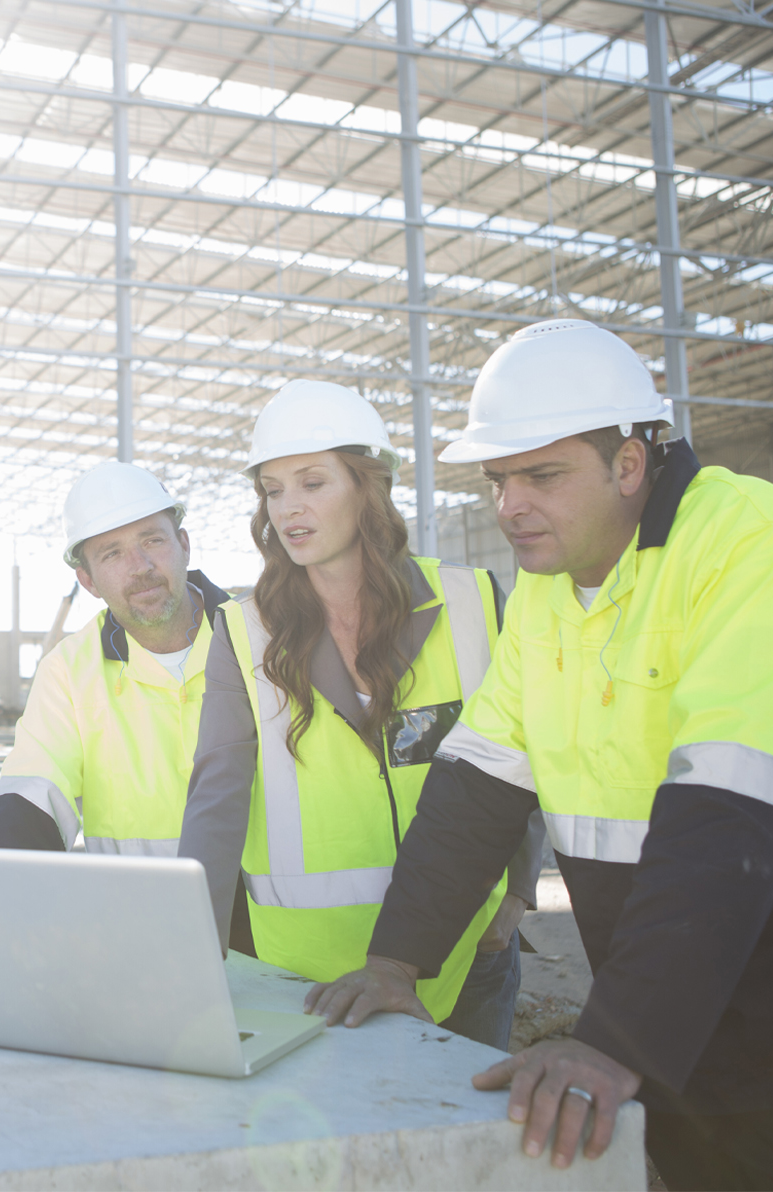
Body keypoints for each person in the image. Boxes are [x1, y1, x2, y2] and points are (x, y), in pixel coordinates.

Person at [303, 320, 773, 1189]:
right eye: (499, 479)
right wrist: (397, 960)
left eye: (543, 475)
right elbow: (477, 783)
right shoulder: (547, 592)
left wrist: (616, 1042)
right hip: (667, 1030)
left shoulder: (749, 543)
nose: (509, 505)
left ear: (631, 464)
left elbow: (729, 807)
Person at [178, 381, 544, 1050]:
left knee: (470, 1146)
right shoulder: (243, 631)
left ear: (367, 488)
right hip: (311, 976)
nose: (289, 508)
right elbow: (217, 798)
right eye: (273, 489)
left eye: (312, 482)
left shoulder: (474, 602)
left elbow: (523, 755)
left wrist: (516, 894)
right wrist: (183, 953)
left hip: (468, 954)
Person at [0, 460, 233, 981]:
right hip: (146, 947)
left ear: (184, 544)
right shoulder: (68, 670)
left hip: (280, 951)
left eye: (152, 541)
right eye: (112, 553)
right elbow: (32, 799)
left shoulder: (261, 643)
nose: (140, 566)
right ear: (87, 579)